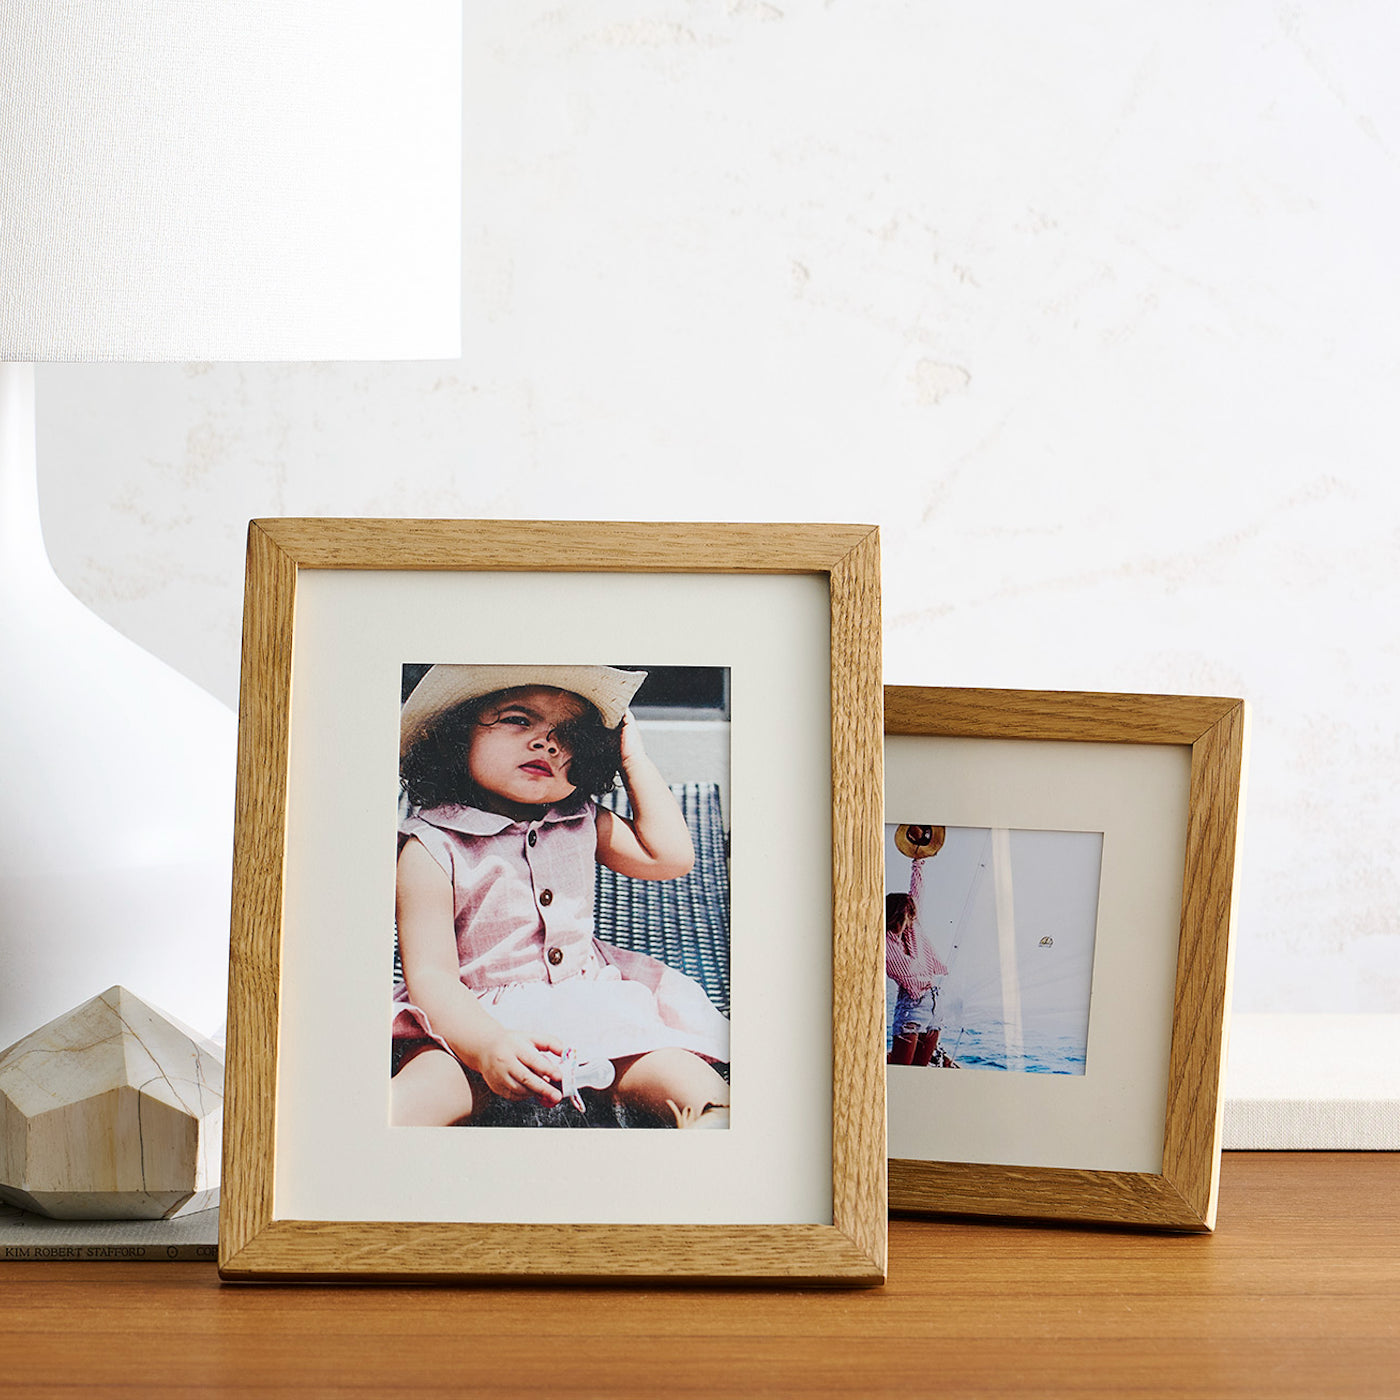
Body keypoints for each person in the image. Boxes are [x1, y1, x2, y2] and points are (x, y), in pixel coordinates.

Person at [390, 664, 731, 1129]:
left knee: (678, 1073)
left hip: (588, 1002)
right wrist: (488, 1046)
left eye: (567, 734)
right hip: (473, 1018)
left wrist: (632, 760)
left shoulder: (580, 819)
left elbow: (669, 858)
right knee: (425, 1092)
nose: (546, 743)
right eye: (517, 719)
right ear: (455, 736)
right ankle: (349, 1161)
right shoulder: (431, 846)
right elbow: (432, 977)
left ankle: (720, 1137)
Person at [886, 825, 954, 1068]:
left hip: (934, 1001)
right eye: (909, 912)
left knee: (920, 1069)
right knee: (904, 1069)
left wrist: (918, 862)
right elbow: (908, 971)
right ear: (899, 913)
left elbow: (918, 891)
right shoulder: (883, 944)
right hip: (912, 1005)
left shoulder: (913, 928)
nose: (913, 915)